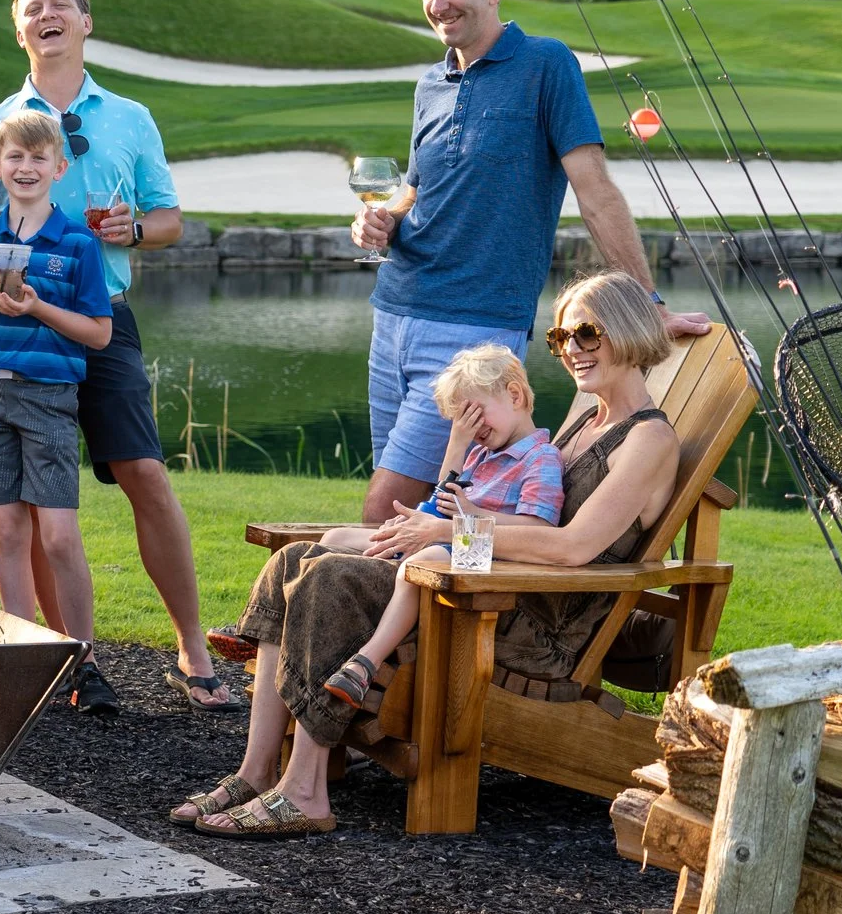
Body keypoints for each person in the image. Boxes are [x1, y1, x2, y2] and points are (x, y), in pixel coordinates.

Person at [172, 272, 680, 836]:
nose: (572, 352)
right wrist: (443, 528)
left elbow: (574, 545)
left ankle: (305, 792)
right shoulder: (587, 416)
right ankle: (257, 769)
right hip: (486, 584)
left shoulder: (648, 439)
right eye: (560, 339)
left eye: (587, 334)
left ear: (629, 330)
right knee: (295, 560)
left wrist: (446, 535)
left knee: (333, 579)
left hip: (525, 622)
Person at [349, 0, 708, 527]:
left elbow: (596, 192)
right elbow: (417, 186)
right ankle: (404, 623)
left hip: (472, 327)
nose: (439, 6)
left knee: (384, 508)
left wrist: (645, 302)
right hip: (394, 313)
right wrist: (380, 220)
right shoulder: (431, 82)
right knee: (403, 514)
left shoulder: (546, 65)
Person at [0, 0, 236, 715]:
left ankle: (193, 648)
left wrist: (133, 228)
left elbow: (169, 219)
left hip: (99, 316)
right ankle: (60, 659)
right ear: (20, 30)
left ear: (85, 21)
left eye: (60, 5)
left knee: (144, 470)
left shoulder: (130, 118)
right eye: (32, 8)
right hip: (13, 333)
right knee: (32, 508)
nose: (47, 15)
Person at [0, 109, 119, 711]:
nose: (25, 167)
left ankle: (83, 658)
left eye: (37, 158)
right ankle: (25, 659)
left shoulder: (77, 243)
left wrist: (40, 308)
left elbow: (98, 334)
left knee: (61, 536)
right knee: (10, 529)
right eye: (14, 158)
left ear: (59, 168)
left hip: (48, 397)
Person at [311, 343, 564, 710]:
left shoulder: (541, 459)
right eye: (462, 421)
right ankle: (292, 619)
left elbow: (537, 527)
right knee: (335, 538)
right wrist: (456, 446)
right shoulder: (480, 453)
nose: (472, 429)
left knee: (422, 561)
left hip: (486, 557)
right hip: (444, 539)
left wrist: (473, 513)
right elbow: (441, 505)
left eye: (475, 415)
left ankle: (366, 662)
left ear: (514, 395)